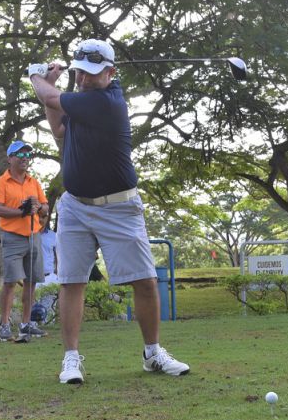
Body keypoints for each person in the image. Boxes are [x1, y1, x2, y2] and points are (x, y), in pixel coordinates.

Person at [27, 38, 190, 384]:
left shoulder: (107, 103)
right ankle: (71, 359)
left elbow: (50, 98)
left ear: (111, 73)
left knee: (145, 282)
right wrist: (52, 89)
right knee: (71, 282)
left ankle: (153, 353)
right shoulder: (82, 102)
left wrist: (37, 78)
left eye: (92, 74)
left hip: (119, 207)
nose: (84, 79)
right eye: (80, 73)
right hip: (75, 206)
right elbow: (58, 128)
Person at [0, 140, 49, 342]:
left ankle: (26, 324)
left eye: (28, 156)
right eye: (20, 155)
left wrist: (38, 208)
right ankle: (5, 326)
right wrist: (20, 212)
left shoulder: (34, 182)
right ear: (10, 159)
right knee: (9, 282)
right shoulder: (1, 182)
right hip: (12, 237)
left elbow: (45, 207)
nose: (25, 159)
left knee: (31, 282)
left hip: (34, 236)